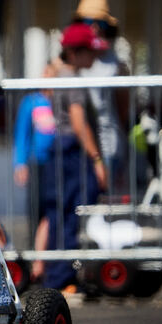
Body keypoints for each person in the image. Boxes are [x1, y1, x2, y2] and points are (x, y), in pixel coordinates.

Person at [41, 23, 108, 295]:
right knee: (72, 213)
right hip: (72, 151)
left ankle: (58, 275)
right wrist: (96, 158)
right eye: (89, 51)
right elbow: (79, 120)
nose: (94, 56)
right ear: (75, 52)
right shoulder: (73, 78)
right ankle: (62, 277)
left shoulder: (59, 73)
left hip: (60, 148)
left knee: (62, 212)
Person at [74, 0, 129, 197]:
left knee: (104, 203)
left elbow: (122, 107)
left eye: (100, 23)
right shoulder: (72, 57)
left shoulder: (115, 64)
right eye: (88, 21)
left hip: (108, 145)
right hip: (79, 146)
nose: (94, 27)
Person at [13, 61, 59, 282]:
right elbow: (22, 135)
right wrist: (20, 163)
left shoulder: (60, 101)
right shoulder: (31, 102)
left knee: (53, 211)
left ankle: (48, 258)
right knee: (38, 210)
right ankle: (37, 258)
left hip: (57, 163)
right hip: (37, 163)